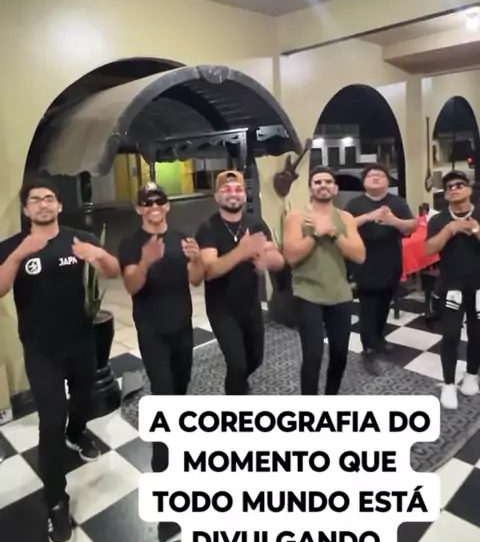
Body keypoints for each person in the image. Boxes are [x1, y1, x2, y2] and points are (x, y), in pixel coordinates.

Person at [0, 178, 120, 542]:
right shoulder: (12, 246)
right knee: (51, 421)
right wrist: (19, 255)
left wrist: (98, 255)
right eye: (35, 200)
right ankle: (56, 500)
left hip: (81, 342)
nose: (43, 204)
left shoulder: (78, 238)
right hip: (41, 350)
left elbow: (113, 271)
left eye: (49, 198)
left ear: (59, 206)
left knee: (84, 400)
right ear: (26, 209)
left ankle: (77, 432)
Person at [119, 184, 204, 467]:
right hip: (151, 329)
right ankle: (162, 459)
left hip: (182, 325)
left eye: (159, 201)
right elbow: (132, 285)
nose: (154, 206)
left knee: (180, 386)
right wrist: (146, 261)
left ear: (167, 205)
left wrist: (197, 260)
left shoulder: (181, 238)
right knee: (163, 391)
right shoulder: (130, 244)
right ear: (139, 209)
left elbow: (196, 279)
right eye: (147, 202)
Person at [196, 171, 284, 395]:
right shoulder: (208, 228)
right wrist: (242, 251)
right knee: (237, 364)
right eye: (226, 190)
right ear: (217, 197)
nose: (233, 193)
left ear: (245, 195)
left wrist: (267, 261)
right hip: (222, 309)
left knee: (255, 359)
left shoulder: (256, 224)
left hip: (251, 306)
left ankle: (239, 384)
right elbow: (209, 271)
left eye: (238, 189)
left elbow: (278, 259)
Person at [283, 167, 365, 395]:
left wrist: (333, 233)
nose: (323, 185)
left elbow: (360, 255)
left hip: (339, 292)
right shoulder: (296, 216)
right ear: (310, 189)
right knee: (313, 355)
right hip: (307, 291)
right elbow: (291, 256)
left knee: (339, 354)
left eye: (328, 181)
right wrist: (316, 234)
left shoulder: (345, 218)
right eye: (317, 182)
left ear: (335, 188)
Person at [346, 165, 416, 365]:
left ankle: (379, 339)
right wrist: (368, 217)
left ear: (388, 181)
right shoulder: (355, 203)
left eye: (380, 175)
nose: (375, 177)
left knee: (385, 304)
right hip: (363, 263)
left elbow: (412, 226)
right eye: (371, 175)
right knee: (368, 307)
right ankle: (368, 346)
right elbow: (343, 226)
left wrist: (393, 221)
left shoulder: (397, 202)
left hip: (391, 262)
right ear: (364, 182)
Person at [426, 170, 480, 410]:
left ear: (469, 189)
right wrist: (450, 229)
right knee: (450, 335)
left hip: (478, 285)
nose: (454, 189)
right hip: (450, 286)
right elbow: (429, 250)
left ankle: (472, 374)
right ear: (446, 194)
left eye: (459, 185)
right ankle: (448, 383)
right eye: (449, 187)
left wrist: (476, 230)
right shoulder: (438, 220)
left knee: (478, 333)